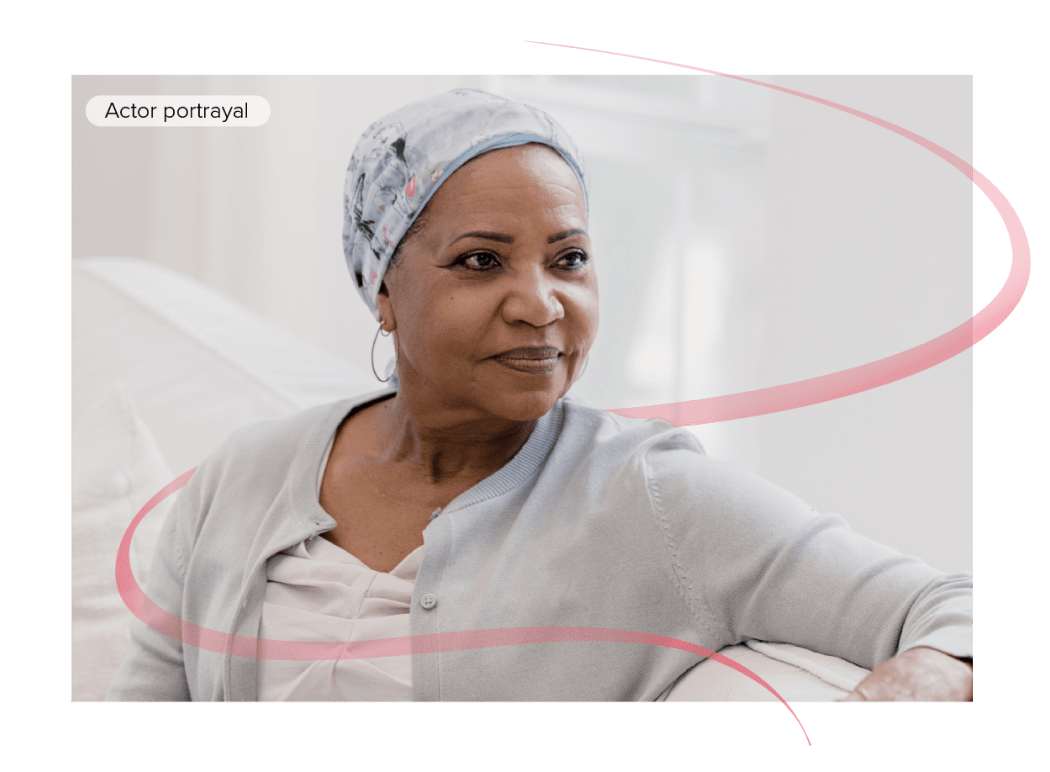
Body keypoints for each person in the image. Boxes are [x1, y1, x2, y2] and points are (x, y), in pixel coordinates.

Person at [108, 89, 973, 703]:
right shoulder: (242, 474)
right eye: (481, 261)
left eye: (569, 259)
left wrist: (930, 675)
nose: (541, 303)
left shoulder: (652, 494)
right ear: (382, 288)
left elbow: (957, 608)